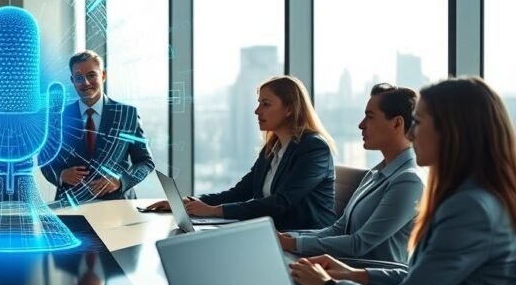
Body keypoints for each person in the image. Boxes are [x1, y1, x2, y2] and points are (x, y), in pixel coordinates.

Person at [291, 77, 516, 285]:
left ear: (452, 131)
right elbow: (422, 276)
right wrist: (356, 275)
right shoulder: (469, 195)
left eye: (419, 123)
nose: (410, 134)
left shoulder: (471, 207)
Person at [145, 75, 336, 230]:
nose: (257, 111)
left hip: (304, 239)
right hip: (272, 232)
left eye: (266, 104)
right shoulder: (272, 149)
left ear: (289, 109)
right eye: (259, 103)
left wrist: (213, 211)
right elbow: (239, 192)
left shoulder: (314, 149)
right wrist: (188, 202)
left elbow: (280, 202)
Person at [279, 84, 423, 263]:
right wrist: (288, 238)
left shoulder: (409, 181)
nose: (361, 125)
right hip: (342, 268)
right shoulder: (374, 174)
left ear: (397, 123)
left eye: (370, 117)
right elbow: (337, 230)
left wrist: (294, 244)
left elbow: (359, 244)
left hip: (369, 282)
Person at [40, 50, 155, 202]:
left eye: (92, 75)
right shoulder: (58, 117)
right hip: (71, 206)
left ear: (103, 75)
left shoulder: (127, 115)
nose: (86, 83)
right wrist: (61, 175)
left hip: (118, 207)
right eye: (79, 77)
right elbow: (45, 159)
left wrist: (120, 181)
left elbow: (145, 162)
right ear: (72, 80)